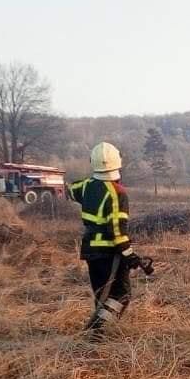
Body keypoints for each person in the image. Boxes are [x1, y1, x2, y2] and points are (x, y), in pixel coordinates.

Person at [67, 142, 149, 333]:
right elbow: (117, 232)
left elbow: (71, 190)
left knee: (101, 294)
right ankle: (98, 332)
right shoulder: (117, 193)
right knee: (121, 294)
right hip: (108, 252)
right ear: (118, 163)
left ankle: (97, 332)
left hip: (89, 251)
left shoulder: (85, 186)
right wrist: (130, 256)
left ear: (93, 162)